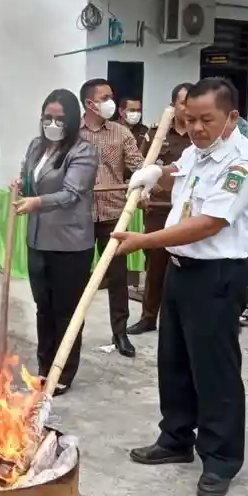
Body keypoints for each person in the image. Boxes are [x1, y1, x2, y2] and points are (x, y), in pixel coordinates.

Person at [114, 77, 248, 496]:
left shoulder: (243, 163)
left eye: (207, 120)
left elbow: (211, 222)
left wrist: (143, 242)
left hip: (216, 275)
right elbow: (178, 175)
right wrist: (154, 175)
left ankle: (220, 460)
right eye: (190, 119)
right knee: (175, 361)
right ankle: (176, 438)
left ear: (231, 117)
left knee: (214, 371)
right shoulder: (198, 152)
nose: (197, 128)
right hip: (182, 270)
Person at [13, 89, 97, 396]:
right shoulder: (37, 146)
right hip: (37, 240)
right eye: (48, 117)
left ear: (73, 120)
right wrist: (19, 184)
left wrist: (35, 203)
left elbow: (72, 193)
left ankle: (62, 372)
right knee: (43, 308)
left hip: (70, 244)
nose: (52, 123)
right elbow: (28, 179)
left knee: (66, 311)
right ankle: (44, 367)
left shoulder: (83, 151)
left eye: (59, 118)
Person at [79, 77, 145, 358]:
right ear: (89, 103)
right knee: (76, 279)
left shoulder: (121, 133)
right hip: (78, 217)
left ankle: (120, 333)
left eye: (111, 96)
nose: (110, 102)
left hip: (113, 215)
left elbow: (138, 166)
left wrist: (148, 179)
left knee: (118, 279)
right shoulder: (73, 134)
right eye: (104, 97)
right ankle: (72, 334)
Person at [129, 82, 193, 336]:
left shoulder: (199, 134)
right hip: (158, 208)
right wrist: (142, 192)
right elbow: (142, 165)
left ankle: (178, 320)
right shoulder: (158, 132)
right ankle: (148, 317)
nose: (187, 108)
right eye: (182, 103)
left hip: (186, 210)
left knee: (185, 265)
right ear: (173, 105)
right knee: (155, 266)